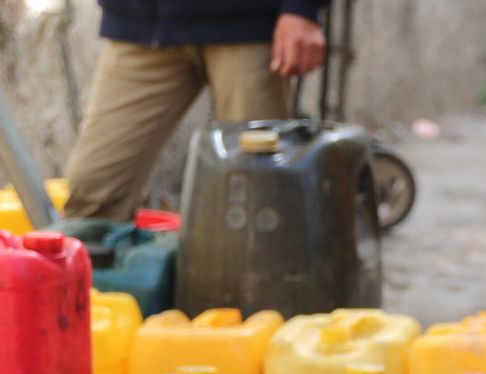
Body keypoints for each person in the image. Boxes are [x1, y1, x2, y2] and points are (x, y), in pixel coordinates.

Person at [63, 0, 327, 220]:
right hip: (142, 25)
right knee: (92, 191)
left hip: (248, 25)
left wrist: (301, 8)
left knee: (257, 203)